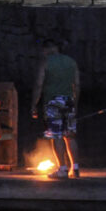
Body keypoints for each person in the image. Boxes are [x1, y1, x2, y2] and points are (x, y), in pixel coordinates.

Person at [31, 39, 80, 179]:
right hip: (68, 100)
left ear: (47, 49)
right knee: (70, 135)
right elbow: (76, 84)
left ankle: (63, 169)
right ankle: (75, 168)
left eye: (43, 51)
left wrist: (34, 105)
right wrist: (75, 103)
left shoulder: (46, 63)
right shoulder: (71, 62)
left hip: (52, 101)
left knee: (56, 135)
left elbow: (39, 85)